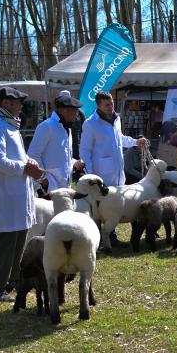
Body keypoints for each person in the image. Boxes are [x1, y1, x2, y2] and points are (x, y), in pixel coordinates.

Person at [0, 87, 44, 302]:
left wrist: (28, 164)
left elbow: (16, 157)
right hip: (5, 193)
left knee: (19, 238)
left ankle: (15, 280)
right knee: (5, 242)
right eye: (17, 102)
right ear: (6, 104)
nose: (21, 106)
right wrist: (25, 167)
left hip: (17, 193)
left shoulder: (7, 124)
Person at [80, 91, 147, 247]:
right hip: (100, 172)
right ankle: (97, 239)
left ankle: (111, 236)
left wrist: (135, 142)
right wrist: (90, 174)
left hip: (117, 169)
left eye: (112, 104)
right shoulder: (91, 124)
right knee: (98, 206)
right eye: (107, 105)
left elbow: (120, 138)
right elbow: (84, 150)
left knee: (114, 204)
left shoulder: (116, 119)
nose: (111, 107)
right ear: (98, 105)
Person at [27, 93, 85, 191]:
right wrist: (44, 180)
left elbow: (62, 156)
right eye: (74, 110)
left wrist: (75, 162)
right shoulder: (46, 126)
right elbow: (33, 155)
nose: (76, 114)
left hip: (64, 187)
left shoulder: (68, 128)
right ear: (64, 110)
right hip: (49, 188)